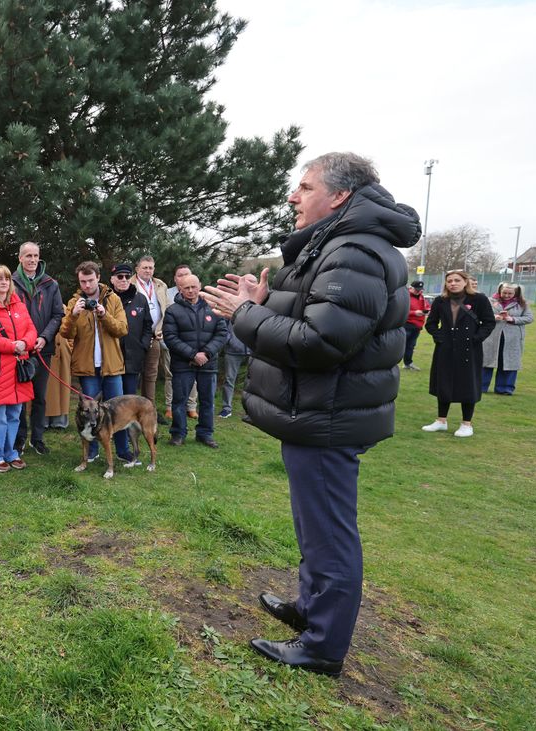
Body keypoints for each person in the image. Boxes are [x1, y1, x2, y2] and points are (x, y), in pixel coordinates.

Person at [203, 152, 418, 677]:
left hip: (328, 417)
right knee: (313, 527)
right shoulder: (341, 243)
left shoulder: (355, 252)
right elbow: (309, 310)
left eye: (304, 187)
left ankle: (323, 646)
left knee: (330, 534)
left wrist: (245, 314)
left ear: (339, 195)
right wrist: (266, 298)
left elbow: (320, 341)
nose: (293, 197)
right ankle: (311, 608)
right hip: (319, 412)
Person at [59, 261, 132, 463]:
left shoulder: (113, 299)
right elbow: (66, 333)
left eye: (90, 280)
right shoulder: (74, 302)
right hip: (87, 367)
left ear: (98, 277)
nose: (87, 285)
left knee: (117, 411)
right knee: (89, 412)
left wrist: (103, 314)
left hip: (112, 366)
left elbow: (122, 329)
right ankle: (91, 451)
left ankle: (122, 449)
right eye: (83, 281)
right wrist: (73, 316)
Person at [0, 265, 38, 472]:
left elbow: (31, 329)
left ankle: (10, 452)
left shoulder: (19, 306)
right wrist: (13, 346)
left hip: (18, 369)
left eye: (7, 279)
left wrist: (25, 343)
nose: (4, 282)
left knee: (14, 413)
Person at [422, 270, 496, 436]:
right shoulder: (440, 301)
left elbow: (489, 322)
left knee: (468, 383)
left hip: (470, 349)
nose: (453, 283)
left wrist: (476, 338)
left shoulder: (479, 299)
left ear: (465, 282)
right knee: (444, 382)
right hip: (445, 349)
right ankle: (441, 420)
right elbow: (431, 324)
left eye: (457, 280)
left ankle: (466, 424)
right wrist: (440, 337)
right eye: (449, 281)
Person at [12, 242, 64, 454]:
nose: (33, 260)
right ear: (20, 258)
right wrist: (22, 341)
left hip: (43, 348)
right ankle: (20, 437)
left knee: (40, 396)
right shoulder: (11, 282)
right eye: (28, 256)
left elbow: (57, 314)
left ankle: (38, 438)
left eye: (36, 256)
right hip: (20, 350)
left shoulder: (51, 284)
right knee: (20, 397)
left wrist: (44, 337)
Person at [163, 275, 227, 448]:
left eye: (193, 286)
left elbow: (222, 334)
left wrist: (206, 353)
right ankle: (178, 434)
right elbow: (170, 337)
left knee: (207, 401)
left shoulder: (213, 307)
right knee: (179, 401)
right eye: (186, 288)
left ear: (199, 286)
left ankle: (205, 434)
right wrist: (193, 355)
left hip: (209, 363)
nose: (190, 290)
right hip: (183, 364)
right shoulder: (172, 311)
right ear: (180, 289)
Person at [109, 263, 154, 399]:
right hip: (112, 355)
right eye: (120, 276)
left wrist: (143, 346)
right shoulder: (106, 298)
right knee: (112, 397)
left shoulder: (140, 299)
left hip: (133, 355)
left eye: (127, 276)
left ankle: (128, 420)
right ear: (112, 279)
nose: (124, 279)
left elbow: (148, 325)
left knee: (130, 397)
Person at [134, 256, 170, 425]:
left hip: (155, 335)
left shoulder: (160, 285)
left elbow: (167, 309)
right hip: (135, 337)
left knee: (151, 375)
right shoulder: (130, 283)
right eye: (145, 268)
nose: (148, 271)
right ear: (137, 269)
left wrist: (162, 329)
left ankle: (150, 410)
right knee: (133, 374)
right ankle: (131, 410)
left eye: (151, 268)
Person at [481, 282, 533, 395]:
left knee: (509, 362)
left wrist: (511, 319)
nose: (507, 295)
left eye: (510, 293)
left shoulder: (522, 304)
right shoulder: (490, 301)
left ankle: (505, 389)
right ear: (499, 291)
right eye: (504, 292)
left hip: (512, 338)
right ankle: (480, 387)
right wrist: (495, 316)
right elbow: (481, 314)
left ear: (515, 293)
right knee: (486, 360)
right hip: (491, 336)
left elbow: (529, 318)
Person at [162, 263, 198, 420]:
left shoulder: (197, 295)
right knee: (171, 375)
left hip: (193, 343)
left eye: (186, 274)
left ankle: (191, 406)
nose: (183, 278)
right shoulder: (166, 294)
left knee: (193, 376)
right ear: (175, 279)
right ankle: (170, 407)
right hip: (171, 342)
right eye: (180, 275)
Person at [217, 318, 250, 419]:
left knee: (253, 383)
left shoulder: (256, 307)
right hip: (232, 351)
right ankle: (226, 409)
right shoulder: (231, 306)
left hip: (252, 352)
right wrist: (230, 341)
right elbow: (223, 327)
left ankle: (250, 411)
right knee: (229, 380)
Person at [402, 280, 430, 371]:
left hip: (417, 326)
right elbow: (400, 310)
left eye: (420, 289)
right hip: (407, 324)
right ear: (411, 288)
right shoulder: (405, 297)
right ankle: (389, 364)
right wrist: (414, 313)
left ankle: (408, 363)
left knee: (411, 346)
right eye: (417, 289)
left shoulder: (422, 297)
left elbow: (427, 307)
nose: (419, 291)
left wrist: (427, 310)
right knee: (400, 345)